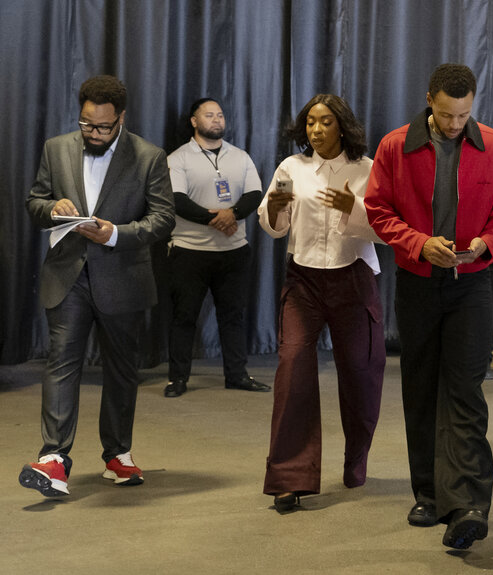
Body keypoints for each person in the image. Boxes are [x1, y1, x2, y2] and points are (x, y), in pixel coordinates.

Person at [365, 63, 493, 550]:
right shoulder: (395, 145)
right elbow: (377, 208)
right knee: (422, 385)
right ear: (430, 100)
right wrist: (416, 242)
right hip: (417, 282)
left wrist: (485, 244)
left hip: (473, 284)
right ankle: (428, 494)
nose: (456, 125)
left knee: (466, 390)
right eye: (449, 115)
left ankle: (469, 503)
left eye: (465, 115)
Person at [20, 75, 174, 497]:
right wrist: (53, 208)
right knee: (61, 362)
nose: (94, 133)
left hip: (122, 276)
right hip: (68, 275)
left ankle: (117, 455)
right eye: (87, 124)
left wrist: (115, 234)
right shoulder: (56, 148)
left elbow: (163, 219)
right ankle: (54, 458)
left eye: (103, 127)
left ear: (121, 118)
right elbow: (34, 202)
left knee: (122, 372)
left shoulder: (148, 156)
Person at [259, 94, 385, 514]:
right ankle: (289, 479)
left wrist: (356, 208)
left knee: (362, 373)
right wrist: (274, 210)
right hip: (304, 280)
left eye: (325, 122)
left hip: (353, 277)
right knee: (293, 366)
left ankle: (357, 456)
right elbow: (273, 225)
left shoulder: (367, 169)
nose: (315, 129)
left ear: (342, 126)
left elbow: (387, 230)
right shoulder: (292, 167)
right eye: (310, 122)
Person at [163, 98, 269, 398]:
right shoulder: (178, 158)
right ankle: (178, 378)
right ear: (194, 122)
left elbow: (254, 194)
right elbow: (177, 200)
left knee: (233, 317)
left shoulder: (240, 156)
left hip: (234, 252)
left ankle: (236, 374)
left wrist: (232, 214)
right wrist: (219, 218)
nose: (217, 120)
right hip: (189, 251)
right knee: (184, 317)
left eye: (220, 115)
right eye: (209, 115)